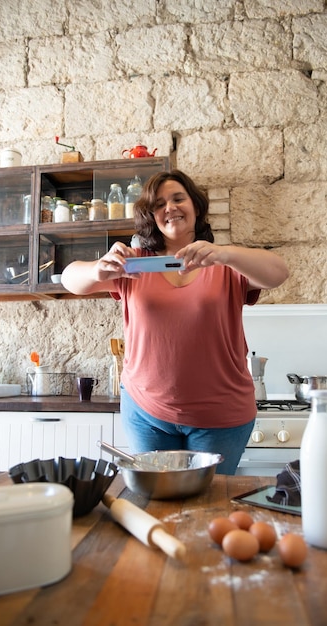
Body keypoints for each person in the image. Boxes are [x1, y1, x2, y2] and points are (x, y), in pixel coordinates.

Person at [62, 170, 289, 474]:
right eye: (159, 204)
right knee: (156, 503)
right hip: (146, 412)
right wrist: (98, 269)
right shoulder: (132, 265)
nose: (169, 207)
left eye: (178, 198)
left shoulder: (224, 263)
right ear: (151, 215)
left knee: (208, 509)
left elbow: (278, 273)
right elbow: (69, 279)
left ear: (195, 206)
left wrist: (224, 254)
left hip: (222, 416)